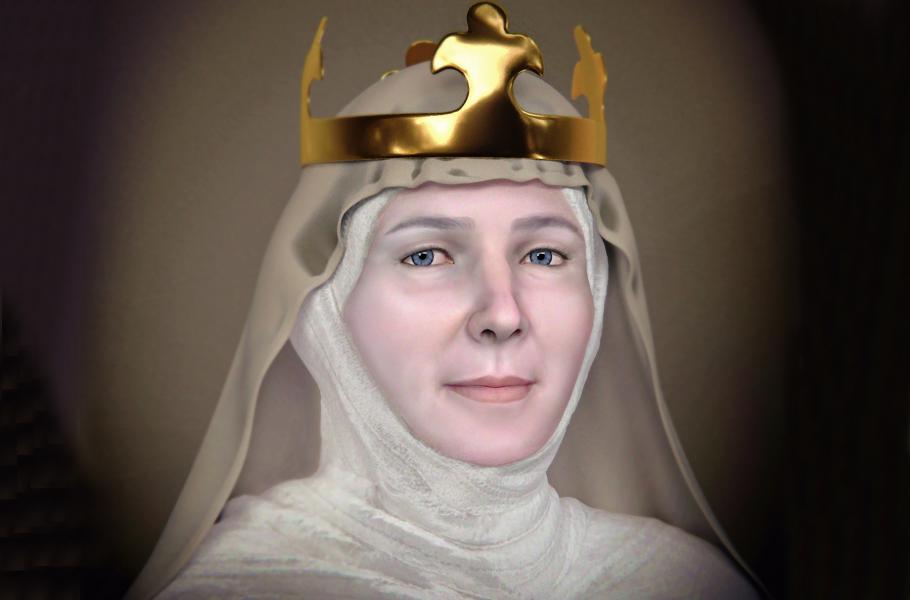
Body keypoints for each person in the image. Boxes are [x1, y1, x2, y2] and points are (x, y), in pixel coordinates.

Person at [128, 4, 762, 598]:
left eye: (545, 255)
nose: (502, 315)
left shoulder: (680, 582)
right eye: (427, 256)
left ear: (597, 287)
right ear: (324, 307)